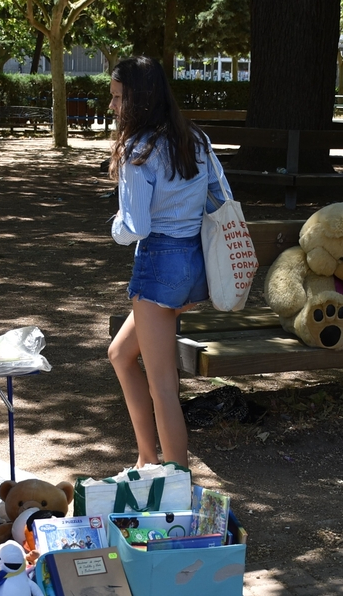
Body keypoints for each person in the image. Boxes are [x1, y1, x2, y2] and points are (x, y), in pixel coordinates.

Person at [105, 57, 233, 469]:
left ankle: (176, 475)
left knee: (163, 383)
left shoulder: (137, 150)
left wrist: (115, 225)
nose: (112, 106)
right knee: (120, 354)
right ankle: (146, 459)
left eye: (118, 97)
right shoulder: (195, 138)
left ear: (139, 99)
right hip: (194, 264)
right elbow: (222, 198)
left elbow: (135, 227)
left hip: (160, 264)